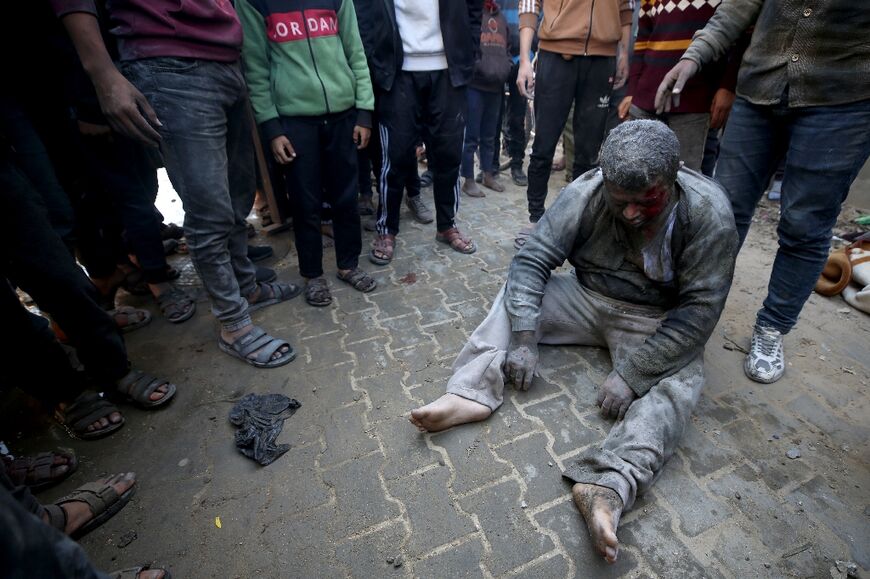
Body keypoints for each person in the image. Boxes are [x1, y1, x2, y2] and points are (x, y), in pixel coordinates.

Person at [411, 121, 738, 563]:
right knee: (514, 298)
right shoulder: (586, 191)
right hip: (585, 299)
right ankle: (470, 390)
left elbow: (699, 314)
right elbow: (532, 261)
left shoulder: (708, 214)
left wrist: (633, 374)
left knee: (678, 382)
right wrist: (525, 339)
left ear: (672, 179)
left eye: (647, 202)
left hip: (652, 319)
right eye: (620, 201)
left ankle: (607, 486)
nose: (630, 214)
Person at [53, 0, 301, 369]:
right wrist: (102, 74)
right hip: (167, 65)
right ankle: (233, 324)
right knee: (209, 210)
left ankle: (246, 287)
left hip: (225, 60)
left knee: (237, 195)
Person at [655, 0, 870, 384]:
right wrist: (695, 56)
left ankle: (772, 326)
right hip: (759, 90)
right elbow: (738, 6)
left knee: (805, 225)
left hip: (844, 101)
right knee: (722, 209)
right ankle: (694, 304)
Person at [237, 0, 378, 308]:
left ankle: (348, 265)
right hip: (294, 121)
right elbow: (256, 68)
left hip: (343, 114)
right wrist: (272, 128)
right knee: (305, 203)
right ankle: (312, 275)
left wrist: (364, 110)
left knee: (346, 197)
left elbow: (356, 51)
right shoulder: (254, 4)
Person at [356, 0, 482, 265]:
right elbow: (364, 15)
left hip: (449, 72)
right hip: (398, 72)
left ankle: (447, 224)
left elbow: (473, 9)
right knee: (395, 157)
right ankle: (386, 229)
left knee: (448, 155)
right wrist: (376, 62)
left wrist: (467, 52)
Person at [514, 0, 633, 248]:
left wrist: (623, 53)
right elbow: (528, 5)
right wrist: (525, 59)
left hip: (603, 59)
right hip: (555, 56)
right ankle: (536, 218)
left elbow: (626, 8)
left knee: (589, 152)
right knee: (544, 145)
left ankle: (580, 222)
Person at [617, 0, 742, 171]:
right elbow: (643, 38)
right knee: (639, 173)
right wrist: (632, 91)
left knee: (687, 178)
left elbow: (742, 34)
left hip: (696, 99)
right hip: (647, 95)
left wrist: (728, 86)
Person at [461, 0, 513, 198]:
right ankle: (468, 179)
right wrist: (477, 67)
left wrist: (506, 67)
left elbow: (507, 47)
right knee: (471, 136)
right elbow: (467, 44)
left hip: (496, 86)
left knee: (491, 136)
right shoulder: (474, 13)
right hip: (475, 86)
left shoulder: (500, 17)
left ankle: (488, 174)